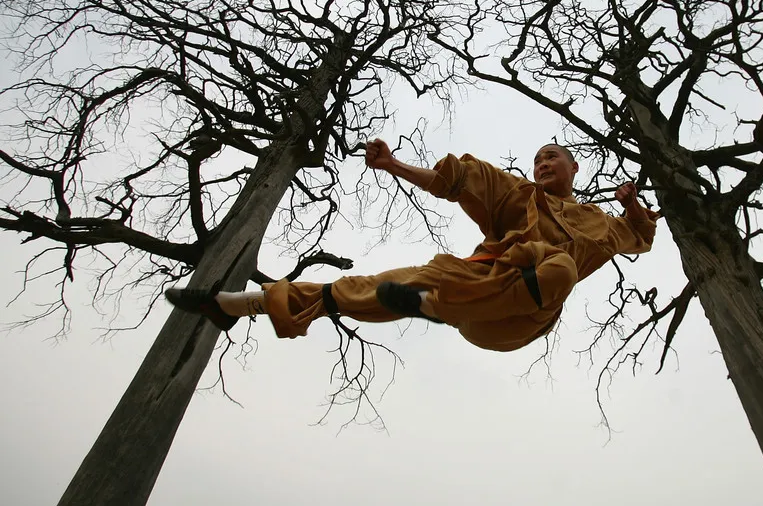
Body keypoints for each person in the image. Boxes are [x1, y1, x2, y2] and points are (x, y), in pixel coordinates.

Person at [166, 140, 658, 352]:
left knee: (558, 267)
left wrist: (632, 204)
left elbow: (642, 236)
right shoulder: (518, 196)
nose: (542, 164)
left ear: (574, 169)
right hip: (479, 295)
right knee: (384, 284)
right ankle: (242, 304)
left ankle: (432, 304)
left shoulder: (598, 224)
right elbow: (458, 179)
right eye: (537, 159)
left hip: (522, 317)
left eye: (552, 158)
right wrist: (394, 165)